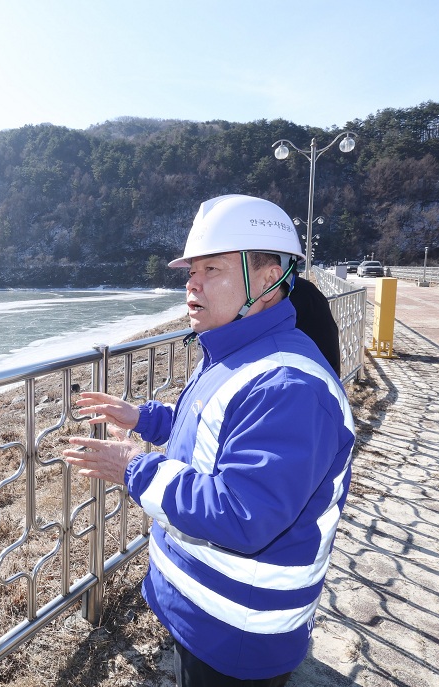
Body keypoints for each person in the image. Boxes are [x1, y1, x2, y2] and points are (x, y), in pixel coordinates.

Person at [63, 194, 355, 686]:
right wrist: (144, 418)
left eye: (213, 269)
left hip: (237, 635)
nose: (191, 284)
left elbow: (244, 513)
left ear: (268, 279)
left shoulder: (289, 386)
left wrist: (133, 468)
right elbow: (215, 429)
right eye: (190, 271)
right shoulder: (237, 350)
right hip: (204, 614)